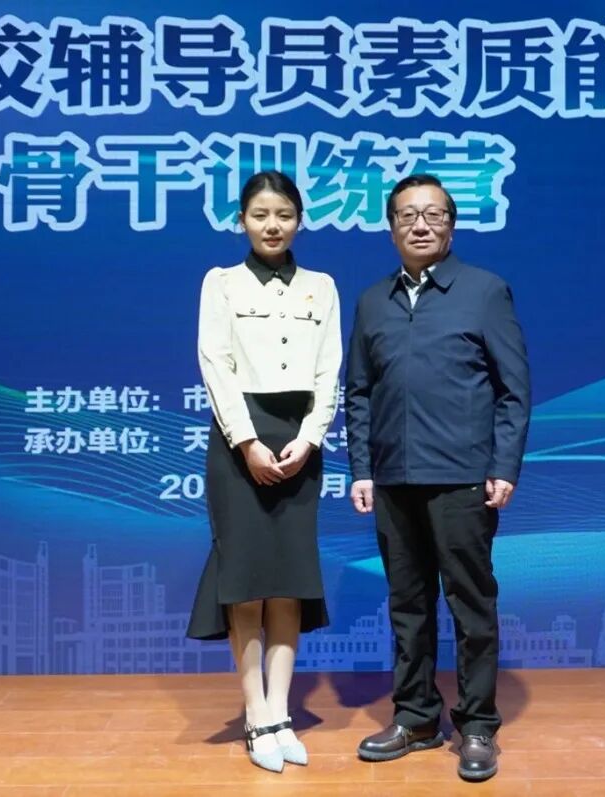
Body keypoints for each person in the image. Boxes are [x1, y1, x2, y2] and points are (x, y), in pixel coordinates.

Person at [345, 174, 530, 782]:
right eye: (407, 215)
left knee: (470, 605)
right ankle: (417, 717)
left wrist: (503, 465)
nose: (420, 224)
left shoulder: (484, 291)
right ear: (391, 228)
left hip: (463, 478)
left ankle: (477, 725)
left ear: (451, 225)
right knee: (407, 606)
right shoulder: (373, 301)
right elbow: (359, 393)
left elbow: (513, 390)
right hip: (394, 478)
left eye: (433, 214)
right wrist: (363, 469)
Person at [187, 170, 342, 773]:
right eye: (260, 215)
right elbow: (215, 363)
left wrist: (309, 439)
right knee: (247, 580)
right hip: (240, 441)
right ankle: (255, 712)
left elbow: (329, 371)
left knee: (288, 579)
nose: (272, 225)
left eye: (283, 214)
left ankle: (282, 711)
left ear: (299, 220)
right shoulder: (221, 282)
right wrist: (247, 441)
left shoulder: (321, 287)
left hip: (300, 440)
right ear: (242, 222)